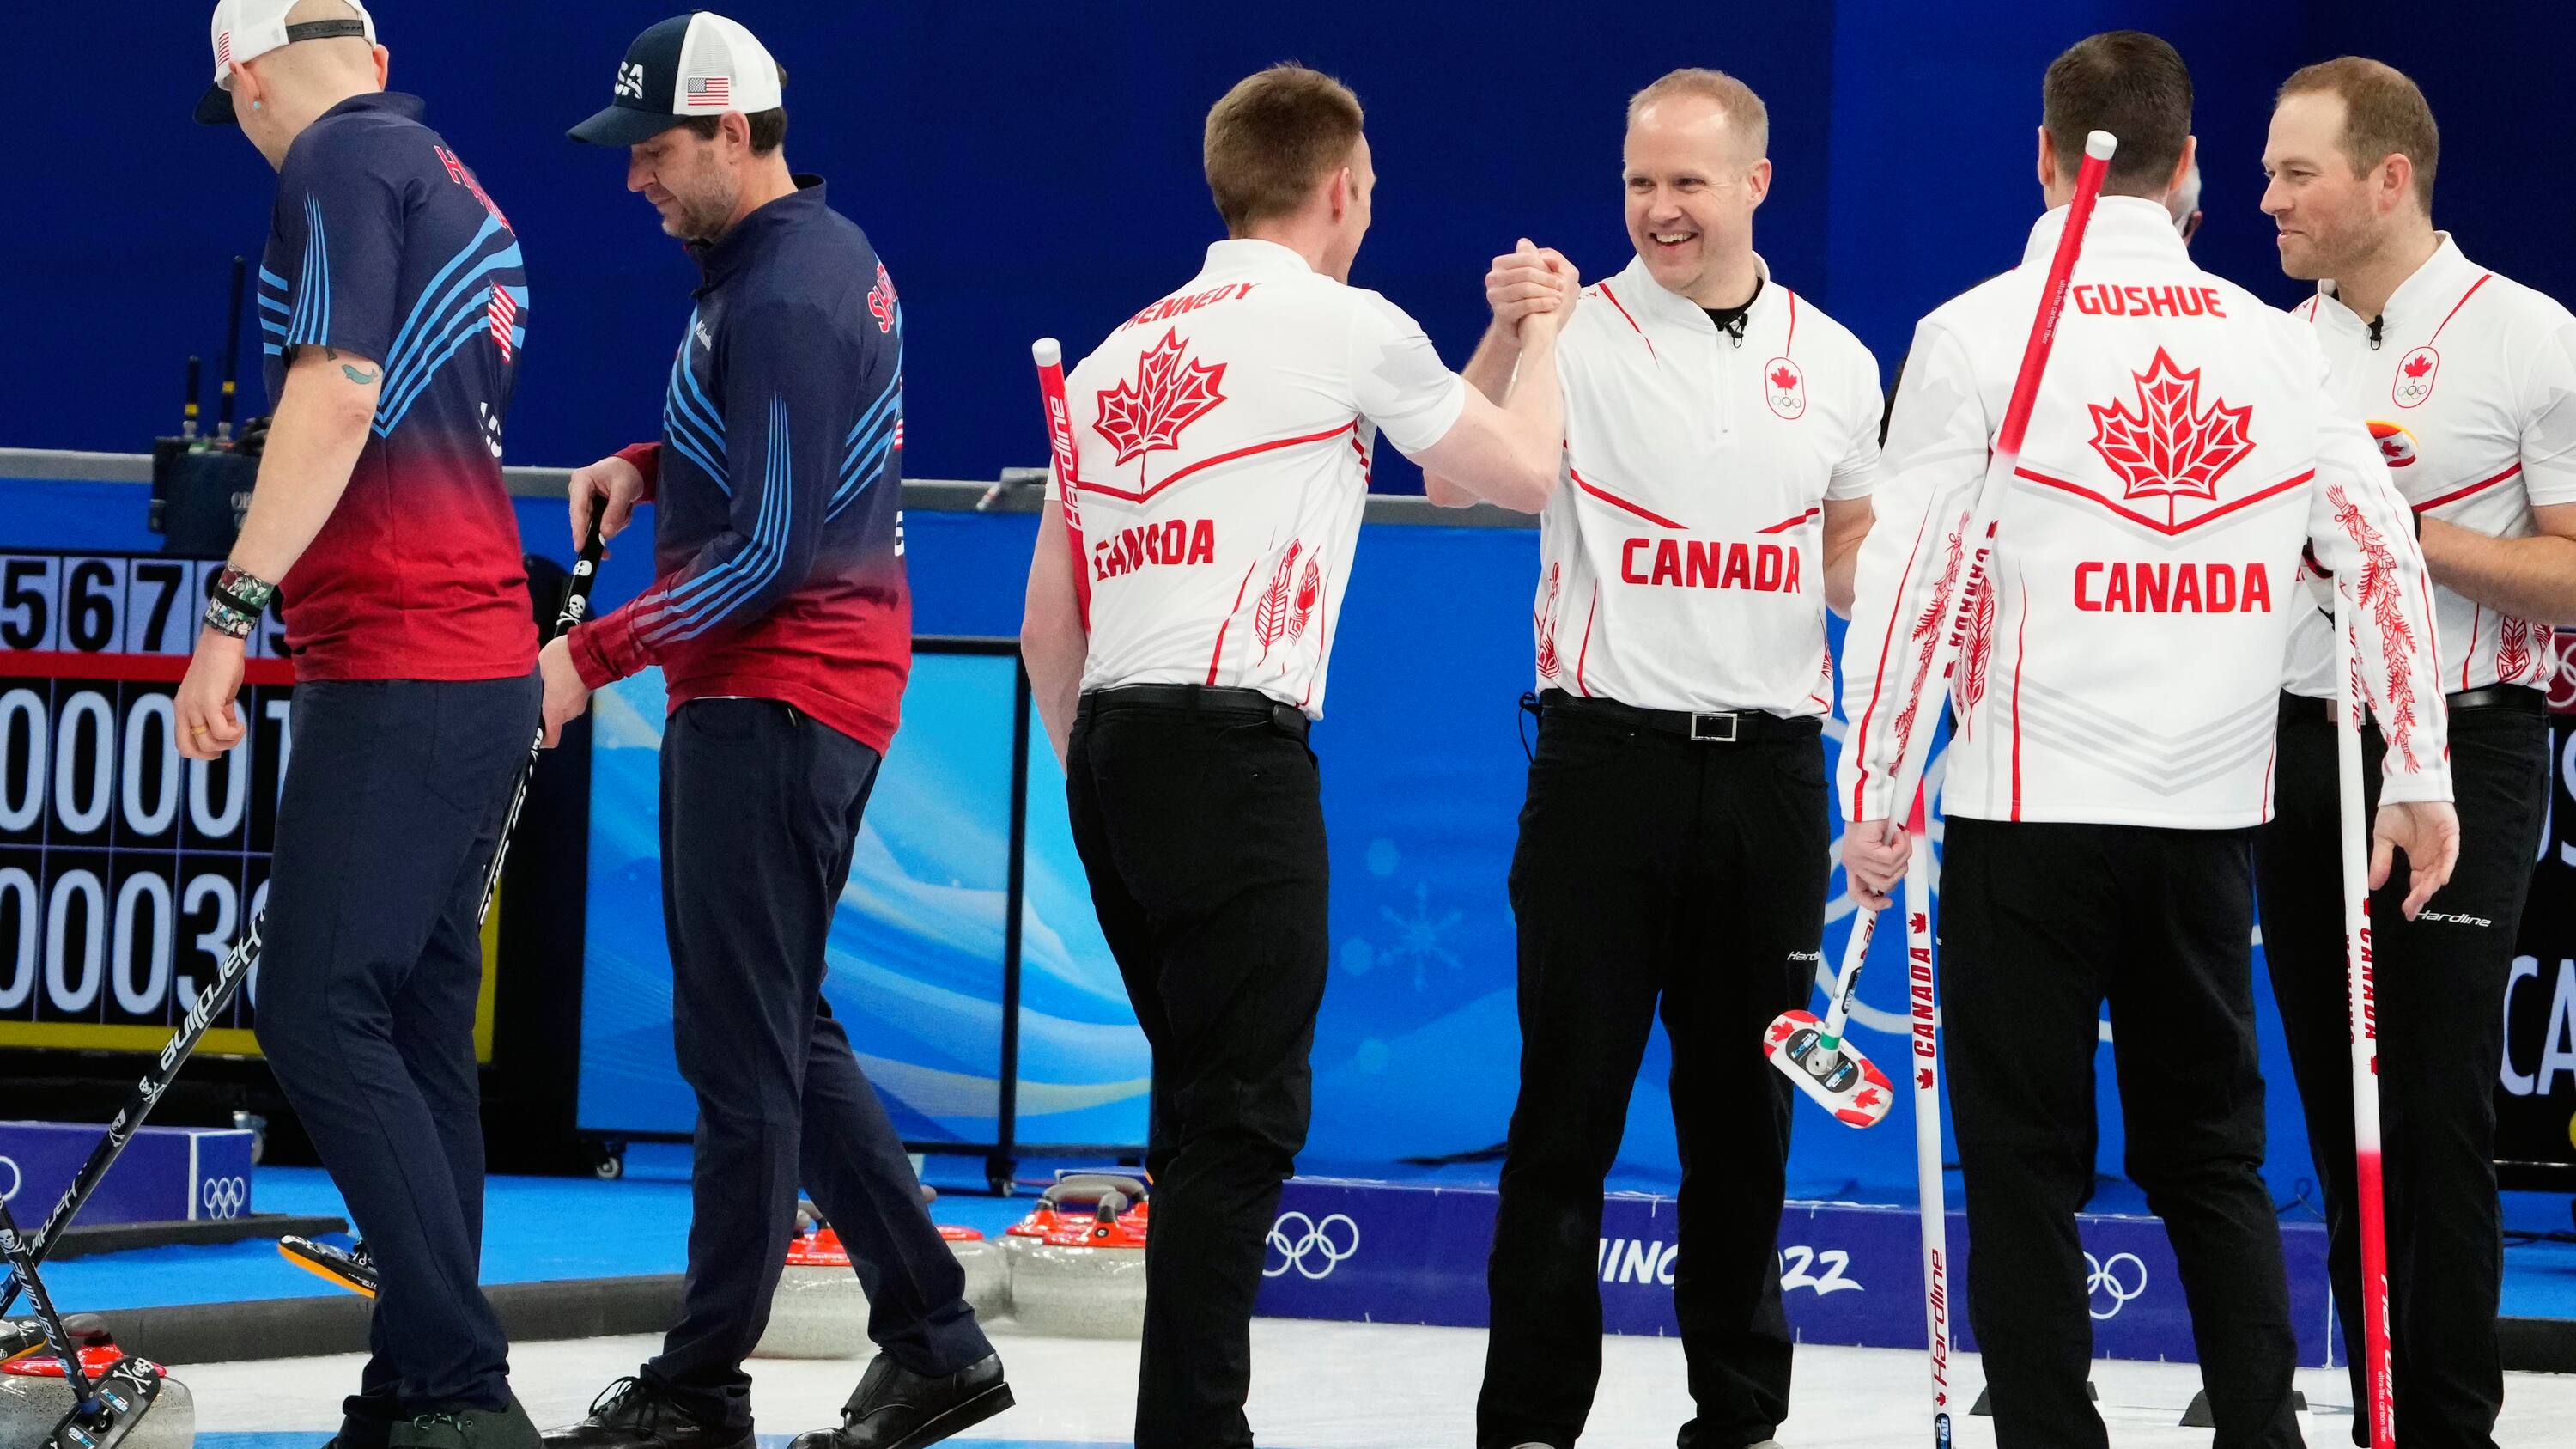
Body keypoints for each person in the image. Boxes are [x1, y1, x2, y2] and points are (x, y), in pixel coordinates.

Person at [1838, 32, 2461, 1449]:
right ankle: (2261, 1427)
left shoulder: (1976, 332)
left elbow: (1909, 579)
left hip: (2026, 817)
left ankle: (2052, 1433)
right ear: (2190, 170)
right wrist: (2419, 769)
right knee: (2214, 1161)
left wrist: (1874, 783)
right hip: (2204, 826)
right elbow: (2379, 559)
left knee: (2021, 1160)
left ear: (2049, 162)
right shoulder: (2271, 344)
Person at [1017, 63, 1571, 1449]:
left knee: (1199, 1114)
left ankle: (1186, 1425)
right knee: (1243, 1123)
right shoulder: (1344, 323)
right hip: (1232, 755)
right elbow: (1525, 475)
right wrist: (1549, 328)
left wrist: (1103, 787)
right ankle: (1197, 1433)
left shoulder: (1113, 354)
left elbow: (1044, 632)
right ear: (1344, 190)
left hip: (1117, 757)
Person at [534, 15, 1007, 1449]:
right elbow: (786, 458)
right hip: (793, 694)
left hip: (777, 693)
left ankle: (697, 1391)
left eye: (659, 153)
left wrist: (581, 657)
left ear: (735, 133)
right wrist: (652, 458)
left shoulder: (787, 289)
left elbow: (775, 561)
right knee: (773, 1039)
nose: (636, 182)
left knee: (742, 1059)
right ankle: (935, 1340)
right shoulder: (801, 260)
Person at [1422, 68, 1881, 1449]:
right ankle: (1530, 1425)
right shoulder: (1579, 330)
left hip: (1772, 777)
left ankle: (1738, 1418)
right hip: (1602, 773)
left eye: (1687, 181)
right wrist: (1510, 339)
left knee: (1745, 1120)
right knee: (1563, 1116)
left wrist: (1930, 620)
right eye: (1639, 182)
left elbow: (1851, 542)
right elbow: (1453, 480)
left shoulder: (1842, 358)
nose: (1660, 209)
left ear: (1755, 183)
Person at [176, 3, 542, 1446]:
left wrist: (229, 609)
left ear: (250, 77)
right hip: (476, 659)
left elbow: (337, 391)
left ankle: (460, 1385)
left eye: (242, 108)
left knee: (319, 1012)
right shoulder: (457, 181)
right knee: (413, 1029)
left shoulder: (331, 162)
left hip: (398, 657)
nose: (252, 132)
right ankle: (415, 1393)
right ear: (380, 56)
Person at [2256, 56, 2576, 1448]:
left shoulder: (2532, 338)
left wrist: (2395, 526)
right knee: (2338, 1098)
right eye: (2267, 171)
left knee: (2430, 1090)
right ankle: (2378, 1405)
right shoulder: (2273, 348)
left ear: (2388, 178)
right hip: (2296, 744)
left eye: (2294, 172)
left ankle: (2448, 1424)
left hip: (2466, 743)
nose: (2268, 198)